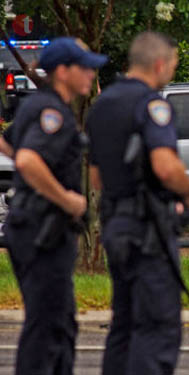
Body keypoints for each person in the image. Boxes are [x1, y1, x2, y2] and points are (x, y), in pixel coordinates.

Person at [86, 31, 189, 375]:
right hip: (148, 229)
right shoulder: (152, 104)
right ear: (159, 63)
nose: (172, 71)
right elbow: (166, 168)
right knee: (156, 328)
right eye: (173, 65)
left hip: (116, 227)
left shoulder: (102, 105)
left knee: (124, 326)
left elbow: (97, 178)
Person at [0, 38, 106, 374]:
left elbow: (9, 143)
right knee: (46, 328)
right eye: (85, 67)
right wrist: (66, 198)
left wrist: (33, 168)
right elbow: (30, 159)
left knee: (60, 326)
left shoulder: (40, 106)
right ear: (62, 71)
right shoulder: (51, 113)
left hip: (37, 231)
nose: (92, 73)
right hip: (41, 232)